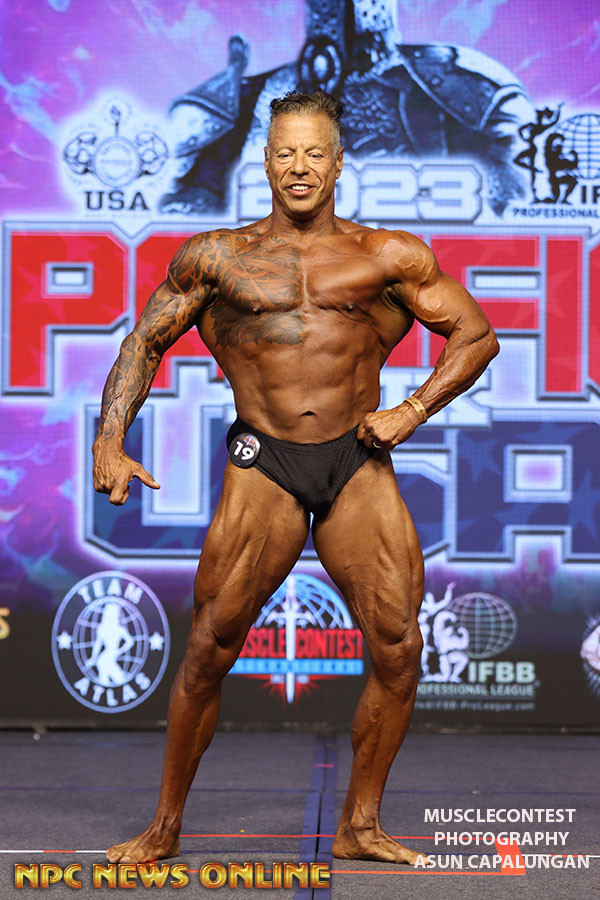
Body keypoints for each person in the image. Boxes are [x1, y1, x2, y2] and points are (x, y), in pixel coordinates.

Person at [93, 89, 499, 866]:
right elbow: (144, 341)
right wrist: (110, 439)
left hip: (357, 457)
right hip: (265, 461)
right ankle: (164, 826)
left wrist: (412, 410)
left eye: (315, 152)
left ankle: (360, 825)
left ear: (339, 163)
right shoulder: (217, 257)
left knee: (398, 645)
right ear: (266, 161)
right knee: (210, 645)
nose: (300, 166)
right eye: (286, 152)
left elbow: (476, 336)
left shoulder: (388, 256)